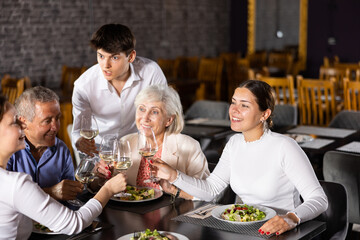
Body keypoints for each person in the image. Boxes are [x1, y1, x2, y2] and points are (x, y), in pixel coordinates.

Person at [152, 80, 328, 235]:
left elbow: (319, 199)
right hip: (246, 229)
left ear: (264, 114)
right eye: (233, 102)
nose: (234, 110)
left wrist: (291, 218)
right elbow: (211, 189)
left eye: (244, 105)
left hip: (282, 232)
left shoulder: (285, 147)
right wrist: (173, 175)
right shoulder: (234, 143)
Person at [0, 95, 127, 239]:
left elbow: (74, 195)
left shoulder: (60, 148)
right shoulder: (15, 184)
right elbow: (74, 223)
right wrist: (108, 189)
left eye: (57, 118)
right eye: (14, 123)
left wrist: (94, 180)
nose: (22, 126)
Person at [72, 23, 167, 157]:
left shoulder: (151, 72)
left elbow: (161, 118)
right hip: (99, 150)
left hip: (138, 147)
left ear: (131, 56)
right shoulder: (84, 86)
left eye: (114, 57)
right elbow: (77, 132)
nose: (106, 65)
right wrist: (80, 142)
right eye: (101, 56)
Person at [97, 85, 209, 195]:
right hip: (130, 210)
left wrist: (175, 189)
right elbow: (104, 187)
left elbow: (207, 192)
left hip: (174, 210)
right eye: (142, 109)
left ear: (169, 120)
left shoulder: (189, 146)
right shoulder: (126, 142)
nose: (145, 118)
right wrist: (101, 177)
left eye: (154, 112)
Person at [7, 86, 82, 202]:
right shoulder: (8, 150)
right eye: (47, 121)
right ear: (23, 122)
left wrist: (94, 184)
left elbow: (71, 198)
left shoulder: (62, 149)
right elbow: (5, 198)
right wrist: (51, 193)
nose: (56, 127)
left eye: (57, 118)